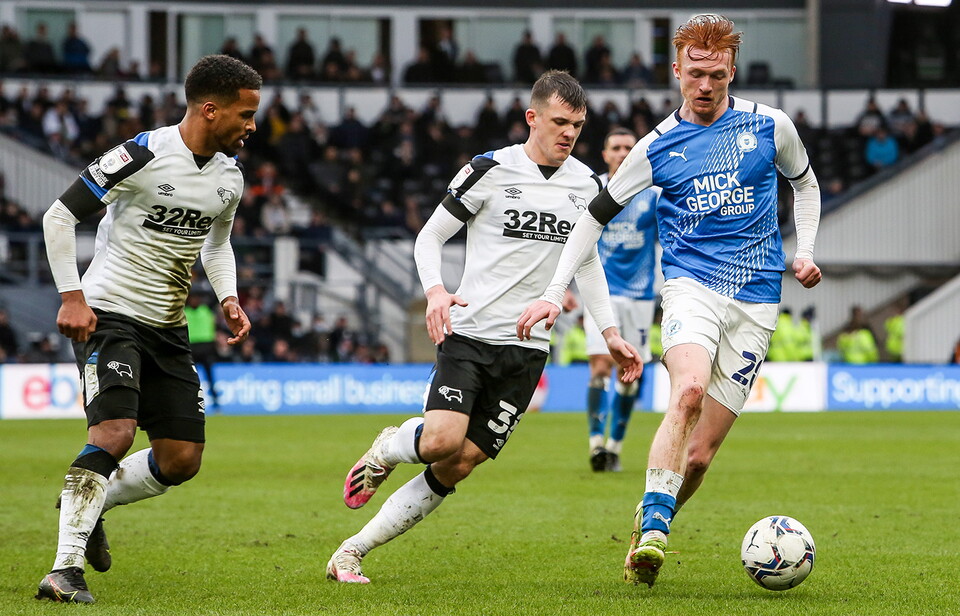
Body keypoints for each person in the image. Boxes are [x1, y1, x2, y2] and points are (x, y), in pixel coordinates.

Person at [516, 14, 822, 587]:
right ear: (677, 70)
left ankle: (646, 525)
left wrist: (804, 250)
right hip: (690, 287)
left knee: (699, 459)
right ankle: (657, 532)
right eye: (695, 74)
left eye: (718, 76)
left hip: (757, 300)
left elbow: (803, 183)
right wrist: (555, 294)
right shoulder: (656, 147)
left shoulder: (770, 126)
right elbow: (593, 218)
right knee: (685, 392)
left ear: (731, 71)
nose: (705, 86)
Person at [325, 70, 642, 584]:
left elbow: (587, 266)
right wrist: (434, 289)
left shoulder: (587, 186)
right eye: (560, 122)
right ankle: (389, 446)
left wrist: (609, 333)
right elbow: (429, 238)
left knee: (460, 463)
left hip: (527, 351)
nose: (569, 134)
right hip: (470, 335)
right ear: (531, 118)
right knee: (439, 442)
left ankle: (351, 552)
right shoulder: (488, 170)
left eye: (578, 126)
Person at [35, 54, 261, 604]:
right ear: (210, 109)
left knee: (181, 459)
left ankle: (88, 505)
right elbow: (58, 216)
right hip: (110, 313)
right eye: (245, 114)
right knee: (113, 434)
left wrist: (228, 296)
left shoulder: (229, 178)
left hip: (168, 326)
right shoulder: (140, 155)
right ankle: (64, 571)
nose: (251, 126)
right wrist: (73, 296)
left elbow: (216, 242)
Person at [584, 128, 659, 473]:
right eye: (615, 147)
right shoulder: (591, 189)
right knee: (600, 367)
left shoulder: (653, 193)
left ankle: (615, 445)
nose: (622, 152)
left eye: (628, 147)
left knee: (630, 375)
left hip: (641, 298)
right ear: (605, 153)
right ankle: (596, 444)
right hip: (601, 294)